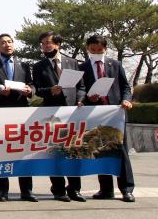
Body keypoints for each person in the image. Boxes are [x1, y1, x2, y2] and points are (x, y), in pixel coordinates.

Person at [0, 33, 37, 202]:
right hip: (0, 113)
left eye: (10, 42)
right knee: (1, 153)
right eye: (3, 43)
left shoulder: (24, 65)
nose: (7, 45)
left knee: (24, 152)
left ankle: (26, 191)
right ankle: (2, 191)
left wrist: (30, 90)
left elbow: (32, 84)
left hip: (21, 114)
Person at [79, 34, 135, 202]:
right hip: (95, 113)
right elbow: (81, 89)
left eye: (99, 49)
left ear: (105, 49)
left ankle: (126, 189)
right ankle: (106, 189)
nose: (96, 52)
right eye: (92, 49)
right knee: (100, 150)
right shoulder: (83, 67)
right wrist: (85, 99)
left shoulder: (115, 65)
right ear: (88, 49)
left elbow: (125, 87)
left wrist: (127, 100)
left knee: (121, 151)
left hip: (115, 112)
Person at [31, 31, 87, 202]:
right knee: (54, 152)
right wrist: (50, 91)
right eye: (43, 43)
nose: (46, 46)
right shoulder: (39, 66)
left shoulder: (72, 62)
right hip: (51, 114)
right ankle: (58, 189)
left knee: (72, 152)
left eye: (48, 42)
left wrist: (80, 99)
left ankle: (74, 189)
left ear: (58, 44)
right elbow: (37, 90)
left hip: (72, 114)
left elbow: (82, 87)